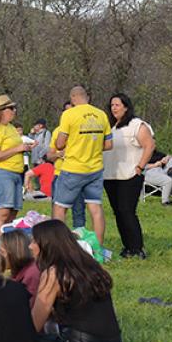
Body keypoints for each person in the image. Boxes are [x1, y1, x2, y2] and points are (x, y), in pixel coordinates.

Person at [30, 220, 123, 342]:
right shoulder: (91, 266)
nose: (30, 246)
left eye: (33, 241)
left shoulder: (54, 273)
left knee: (16, 340)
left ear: (46, 245)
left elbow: (35, 324)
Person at [52, 87, 112, 251]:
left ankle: (60, 248)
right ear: (87, 97)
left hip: (73, 168)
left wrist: (73, 144)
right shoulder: (101, 114)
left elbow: (59, 144)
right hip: (95, 168)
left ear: (73, 98)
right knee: (95, 209)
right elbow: (108, 144)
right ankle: (98, 248)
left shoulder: (69, 114)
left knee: (60, 208)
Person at [102, 93, 154, 259]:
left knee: (127, 211)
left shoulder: (137, 125)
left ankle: (137, 247)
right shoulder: (110, 126)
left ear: (126, 107)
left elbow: (149, 145)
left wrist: (140, 166)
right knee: (118, 212)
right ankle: (127, 247)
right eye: (112, 105)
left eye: (117, 105)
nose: (114, 108)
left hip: (130, 175)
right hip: (111, 176)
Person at [0, 95, 31, 243]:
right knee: (3, 212)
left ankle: (8, 243)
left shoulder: (10, 128)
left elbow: (14, 148)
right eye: (11, 108)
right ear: (1, 111)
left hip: (16, 174)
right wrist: (18, 148)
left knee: (13, 212)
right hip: (2, 173)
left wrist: (25, 148)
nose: (14, 110)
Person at [0, 230, 40, 302]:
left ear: (14, 253)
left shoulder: (32, 274)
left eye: (2, 252)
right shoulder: (18, 272)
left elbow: (29, 305)